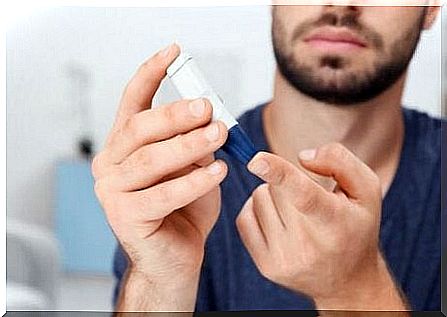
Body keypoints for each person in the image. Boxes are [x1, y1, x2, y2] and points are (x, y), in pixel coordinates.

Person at [92, 4, 443, 313]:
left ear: (430, 8)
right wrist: (160, 280)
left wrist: (356, 291)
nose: (340, 4)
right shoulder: (185, 186)